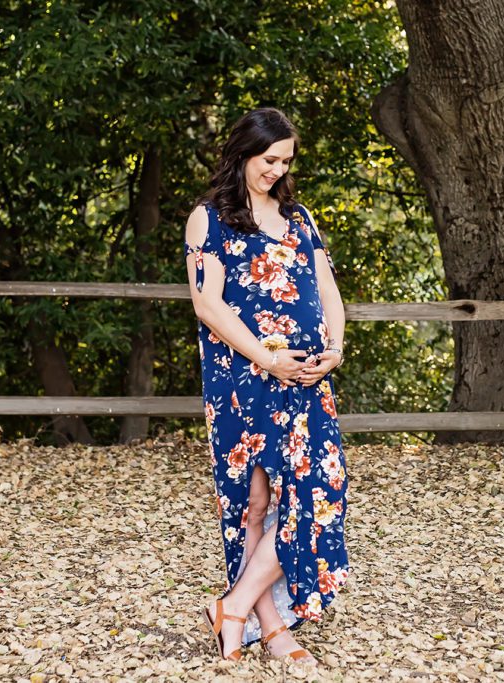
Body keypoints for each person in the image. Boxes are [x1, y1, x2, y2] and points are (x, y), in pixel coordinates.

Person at [183, 108, 348, 665]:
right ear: (243, 153)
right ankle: (269, 626)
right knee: (253, 502)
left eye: (285, 161)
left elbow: (329, 293)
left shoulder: (300, 218)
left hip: (306, 380)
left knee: (320, 495)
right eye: (268, 159)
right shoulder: (209, 218)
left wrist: (336, 348)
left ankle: (232, 605)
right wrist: (270, 359)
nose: (276, 170)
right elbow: (208, 305)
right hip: (243, 380)